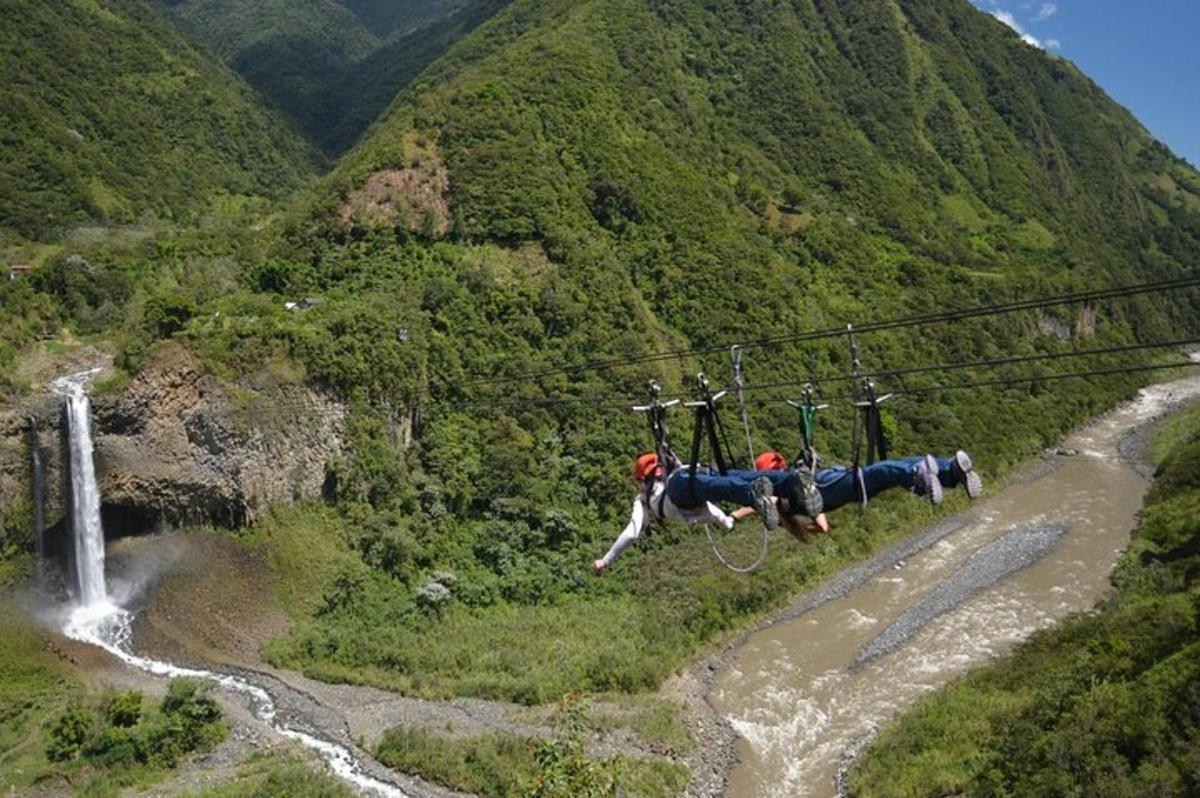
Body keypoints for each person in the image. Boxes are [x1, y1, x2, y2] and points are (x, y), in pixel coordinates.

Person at [591, 452, 824, 574]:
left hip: (681, 490)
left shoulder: (642, 501)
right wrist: (725, 521)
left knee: (730, 486)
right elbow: (709, 510)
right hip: (695, 474)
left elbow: (632, 533)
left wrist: (607, 560)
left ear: (643, 479)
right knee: (734, 478)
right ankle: (789, 480)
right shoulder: (664, 478)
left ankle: (760, 494)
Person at [744, 449, 983, 531]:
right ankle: (932, 471)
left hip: (843, 490)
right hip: (842, 484)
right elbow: (758, 502)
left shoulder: (794, 500)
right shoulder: (790, 496)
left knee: (893, 473)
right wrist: (732, 517)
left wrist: (805, 525)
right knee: (882, 471)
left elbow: (823, 527)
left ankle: (950, 473)